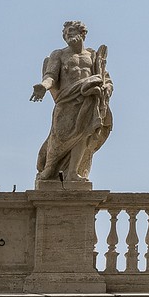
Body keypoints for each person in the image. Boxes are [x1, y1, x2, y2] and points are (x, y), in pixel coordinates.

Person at [30, 19, 112, 187]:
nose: (68, 36)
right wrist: (43, 87)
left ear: (82, 34)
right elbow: (51, 75)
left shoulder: (93, 56)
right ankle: (49, 168)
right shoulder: (58, 54)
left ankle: (73, 172)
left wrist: (104, 88)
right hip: (66, 101)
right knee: (58, 135)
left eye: (72, 32)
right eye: (66, 34)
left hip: (87, 100)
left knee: (83, 134)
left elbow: (105, 78)